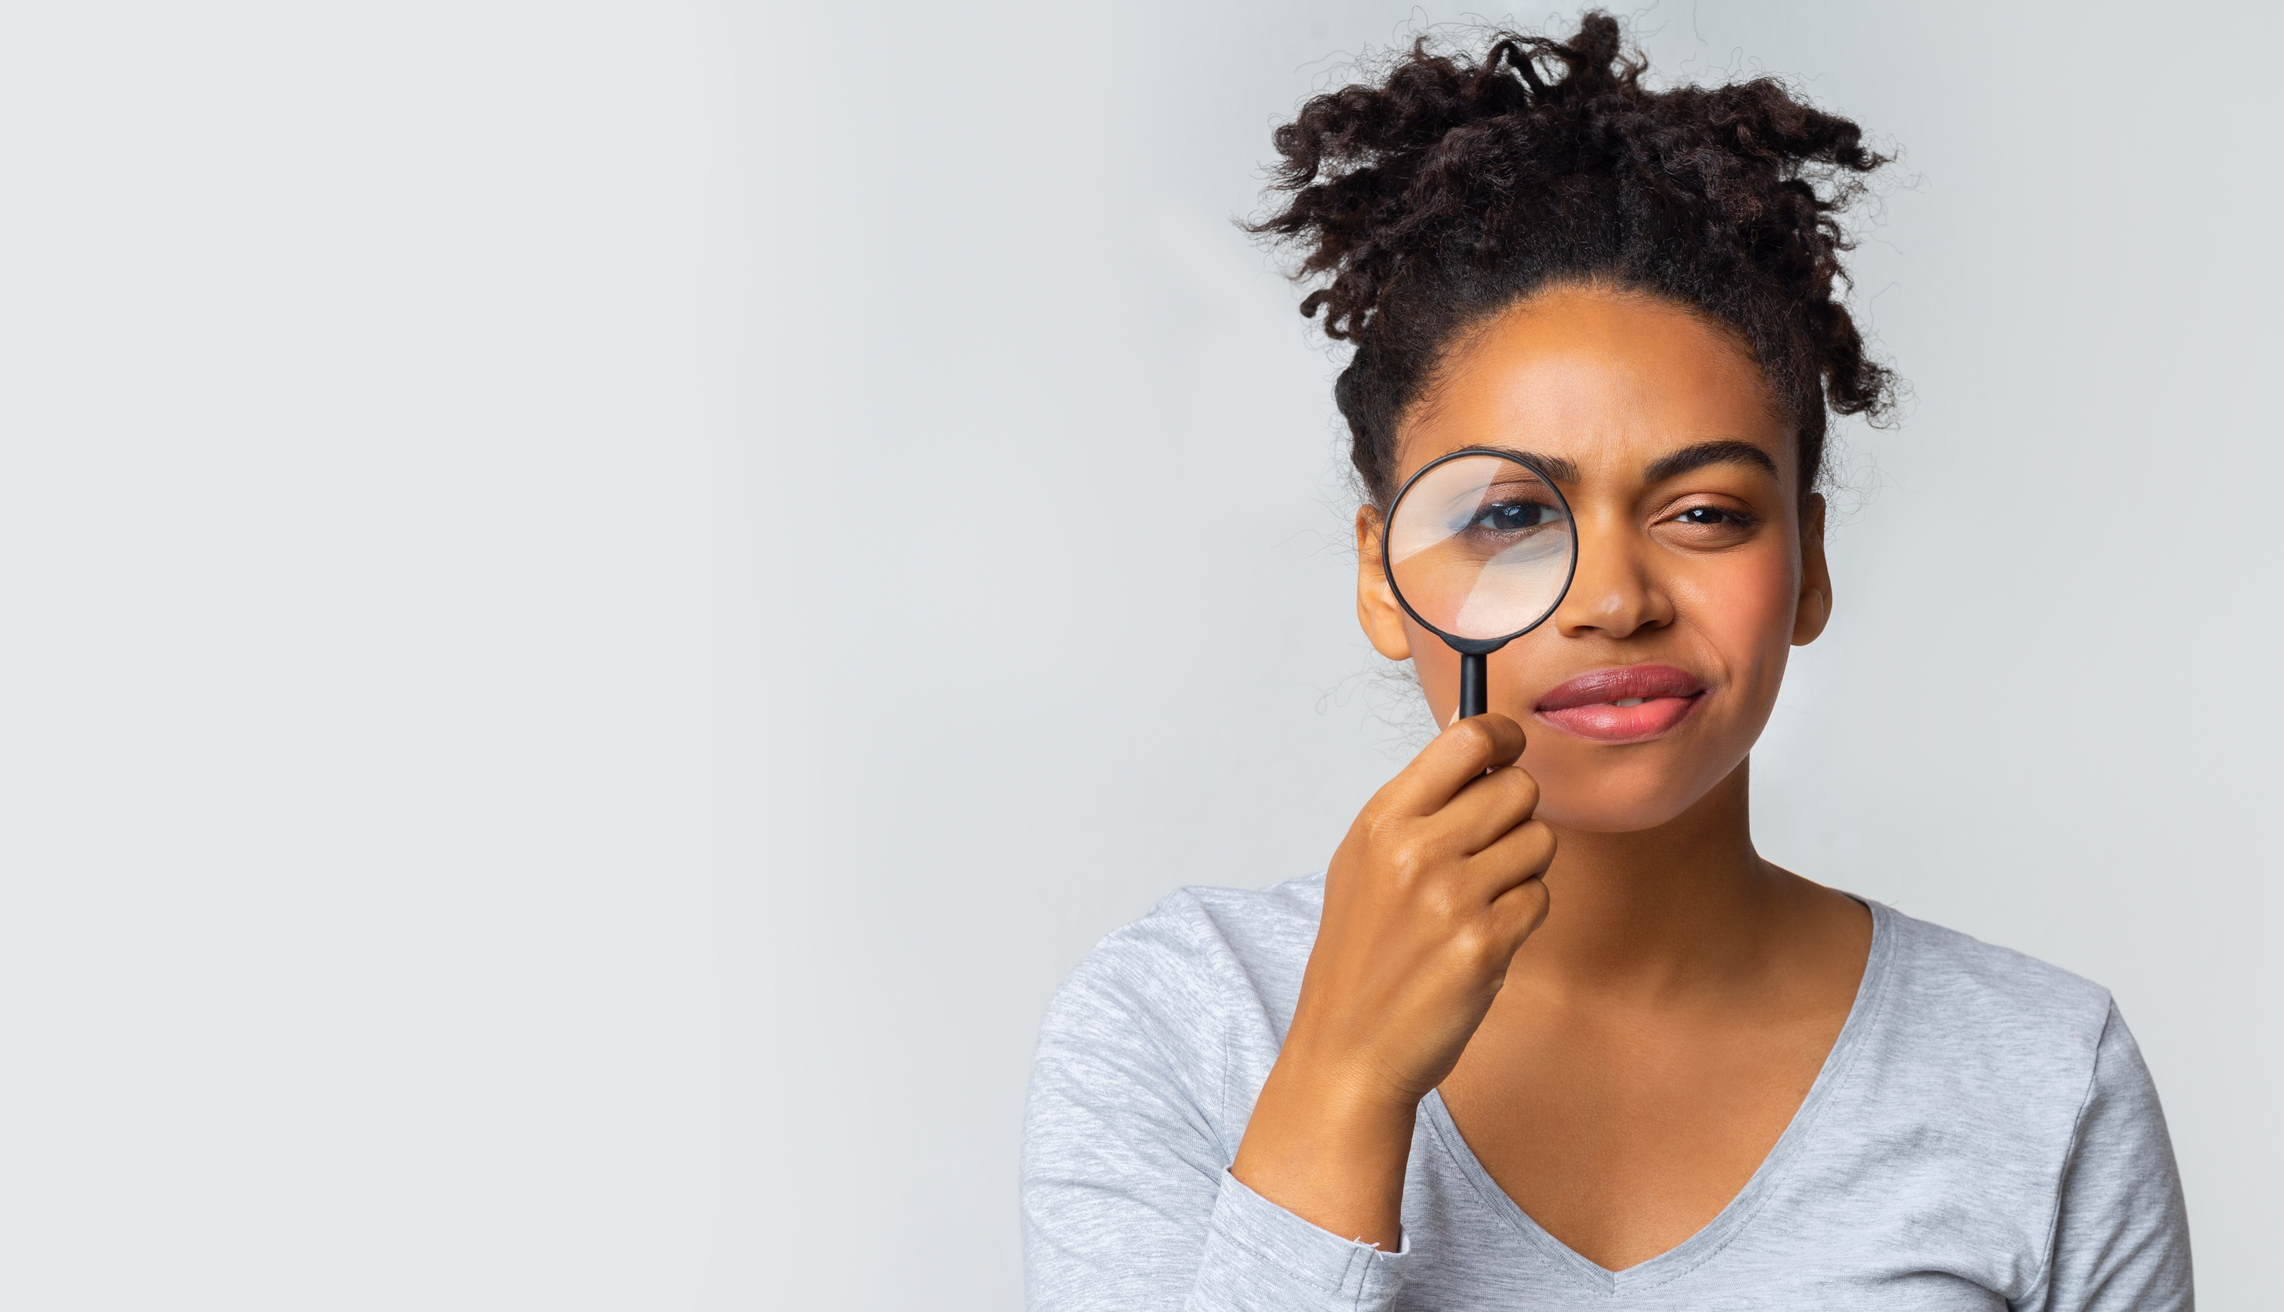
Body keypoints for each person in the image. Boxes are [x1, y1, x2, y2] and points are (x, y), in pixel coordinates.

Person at [1019, 14, 2192, 1310]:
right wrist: (1344, 1078)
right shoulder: (1180, 1024)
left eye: (1703, 513)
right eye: (1513, 515)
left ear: (1806, 560)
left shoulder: (2044, 1074)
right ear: (1382, 576)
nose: (1618, 598)